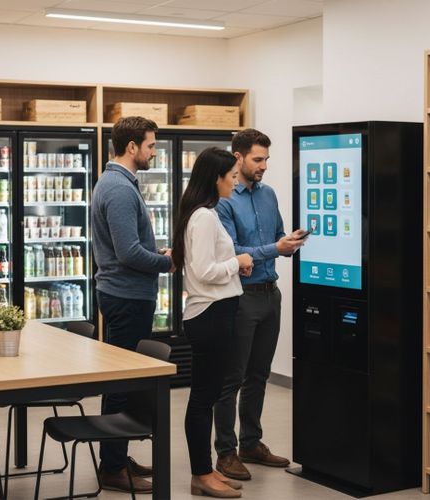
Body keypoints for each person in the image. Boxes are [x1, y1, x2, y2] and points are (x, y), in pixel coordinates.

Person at [214, 129, 307, 480]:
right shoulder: (222, 200)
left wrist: (291, 241)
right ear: (237, 158)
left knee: (259, 375)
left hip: (271, 294)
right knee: (232, 377)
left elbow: (276, 236)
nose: (264, 166)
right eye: (258, 159)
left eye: (267, 159)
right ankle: (225, 452)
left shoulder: (269, 195)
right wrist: (274, 249)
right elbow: (231, 252)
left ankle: (250, 443)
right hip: (240, 297)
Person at [92, 116, 174, 494]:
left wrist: (154, 254)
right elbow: (128, 254)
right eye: (152, 146)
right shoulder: (121, 189)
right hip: (127, 296)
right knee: (123, 384)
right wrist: (167, 262)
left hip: (121, 293)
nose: (154, 152)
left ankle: (116, 456)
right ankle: (112, 468)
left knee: (119, 381)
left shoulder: (115, 183)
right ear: (132, 147)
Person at [172, 147, 253, 498]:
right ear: (216, 178)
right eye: (232, 177)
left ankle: (205, 471)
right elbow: (204, 271)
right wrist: (238, 261)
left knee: (206, 395)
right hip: (211, 315)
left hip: (214, 313)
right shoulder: (204, 216)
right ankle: (201, 474)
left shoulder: (202, 213)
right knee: (204, 398)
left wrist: (234, 261)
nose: (235, 183)